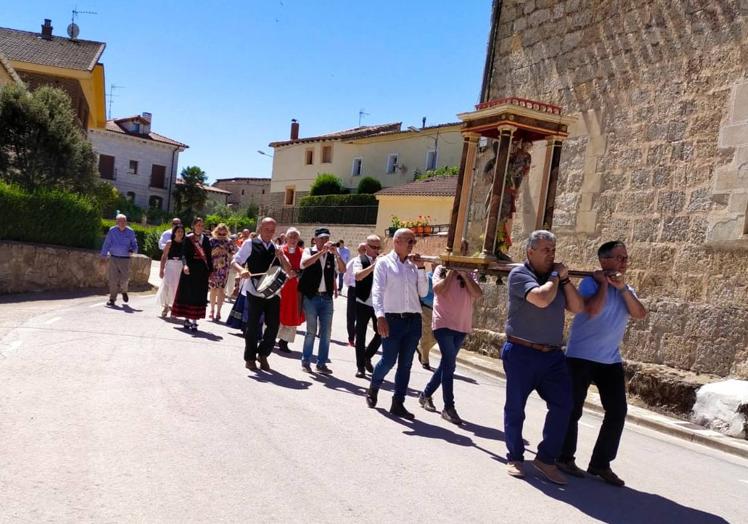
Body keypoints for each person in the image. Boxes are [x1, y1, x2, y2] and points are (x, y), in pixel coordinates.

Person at [557, 241, 647, 487]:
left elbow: (640, 314)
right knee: (573, 409)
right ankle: (564, 458)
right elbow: (593, 310)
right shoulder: (589, 283)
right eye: (619, 258)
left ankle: (600, 463)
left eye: (626, 258)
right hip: (581, 356)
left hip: (610, 359)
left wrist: (624, 290)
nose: (624, 263)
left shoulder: (626, 288)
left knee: (617, 411)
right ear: (604, 260)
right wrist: (605, 285)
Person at [501, 230, 584, 484]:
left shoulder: (557, 280)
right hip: (521, 352)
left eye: (553, 249)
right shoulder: (519, 275)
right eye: (546, 249)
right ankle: (515, 456)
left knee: (564, 406)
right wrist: (557, 276)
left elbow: (578, 308)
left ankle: (546, 459)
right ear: (530, 251)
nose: (551, 254)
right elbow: (541, 299)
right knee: (516, 408)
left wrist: (566, 281)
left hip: (552, 356)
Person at [366, 228, 428, 419]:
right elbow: (377, 292)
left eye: (413, 242)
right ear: (397, 242)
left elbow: (424, 293)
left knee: (406, 364)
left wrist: (421, 269)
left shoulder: (413, 266)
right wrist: (380, 316)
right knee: (388, 360)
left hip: (413, 320)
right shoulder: (384, 264)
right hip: (392, 319)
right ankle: (374, 386)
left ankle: (398, 402)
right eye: (409, 241)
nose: (412, 246)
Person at [418, 264, 482, 425]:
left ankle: (425, 395)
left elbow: (477, 293)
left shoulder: (471, 271)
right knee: (449, 364)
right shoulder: (441, 269)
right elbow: (439, 290)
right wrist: (452, 272)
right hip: (443, 323)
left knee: (446, 364)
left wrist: (465, 274)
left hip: (462, 325)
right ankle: (448, 407)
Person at [232, 217, 292, 371]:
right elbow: (235, 261)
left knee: (273, 326)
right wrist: (242, 270)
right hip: (254, 290)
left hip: (272, 292)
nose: (270, 233)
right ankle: (250, 358)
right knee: (252, 326)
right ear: (260, 229)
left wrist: (281, 256)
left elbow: (288, 269)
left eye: (272, 230)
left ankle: (263, 353)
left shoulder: (276, 247)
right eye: (267, 229)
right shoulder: (250, 243)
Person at [298, 227, 346, 374]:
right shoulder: (308, 251)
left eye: (327, 238)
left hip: (326, 297)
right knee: (311, 331)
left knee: (326, 333)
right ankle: (306, 361)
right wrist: (321, 253)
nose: (325, 241)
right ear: (315, 239)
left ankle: (321, 363)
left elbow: (343, 270)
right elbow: (304, 264)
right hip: (311, 296)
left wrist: (337, 254)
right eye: (322, 238)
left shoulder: (332, 255)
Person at [171, 217, 213, 331]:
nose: (200, 227)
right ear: (193, 226)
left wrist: (210, 271)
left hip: (201, 271)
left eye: (201, 225)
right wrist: (185, 265)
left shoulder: (206, 240)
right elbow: (183, 254)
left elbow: (209, 257)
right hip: (189, 270)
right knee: (188, 294)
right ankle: (187, 319)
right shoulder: (188, 238)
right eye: (198, 225)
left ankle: (195, 321)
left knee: (198, 295)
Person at [352, 235, 382, 379]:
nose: (376, 250)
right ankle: (360, 367)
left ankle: (367, 356)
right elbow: (358, 276)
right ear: (366, 247)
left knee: (382, 333)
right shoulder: (360, 260)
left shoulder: (383, 261)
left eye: (378, 247)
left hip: (378, 303)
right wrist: (373, 266)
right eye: (373, 247)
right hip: (363, 302)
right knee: (361, 335)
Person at [100, 213, 138, 306]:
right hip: (114, 258)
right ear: (116, 222)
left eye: (124, 221)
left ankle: (124, 291)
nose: (122, 223)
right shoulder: (112, 230)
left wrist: (133, 250)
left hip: (125, 259)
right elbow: (107, 243)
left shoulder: (130, 231)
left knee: (124, 279)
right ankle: (112, 299)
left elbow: (134, 244)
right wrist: (103, 255)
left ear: (126, 222)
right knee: (113, 279)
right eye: (120, 221)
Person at [277, 228, 305, 353]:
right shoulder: (280, 251)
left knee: (292, 313)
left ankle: (284, 341)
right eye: (291, 237)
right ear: (286, 238)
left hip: (295, 288)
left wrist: (298, 274)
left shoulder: (303, 252)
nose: (293, 239)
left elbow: (306, 268)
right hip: (280, 286)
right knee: (276, 312)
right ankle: (271, 337)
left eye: (295, 237)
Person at [156, 223, 185, 317]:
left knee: (176, 287)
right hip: (170, 266)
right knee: (167, 286)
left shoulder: (185, 243)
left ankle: (174, 307)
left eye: (181, 231)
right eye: (178, 231)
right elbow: (164, 256)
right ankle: (166, 306)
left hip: (179, 267)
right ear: (174, 232)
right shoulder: (169, 243)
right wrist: (161, 269)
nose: (180, 233)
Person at [208, 223, 237, 321]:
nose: (221, 236)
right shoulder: (211, 241)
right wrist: (214, 251)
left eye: (223, 234)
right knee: (213, 289)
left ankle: (218, 311)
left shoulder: (229, 242)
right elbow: (207, 254)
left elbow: (233, 255)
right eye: (219, 234)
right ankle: (212, 310)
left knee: (221, 290)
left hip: (224, 268)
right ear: (216, 232)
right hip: (213, 268)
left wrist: (226, 251)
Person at [416, 266, 436, 370]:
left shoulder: (445, 279)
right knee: (426, 334)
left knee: (437, 336)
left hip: (439, 312)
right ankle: (425, 360)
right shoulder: (427, 277)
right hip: (426, 308)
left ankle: (421, 349)